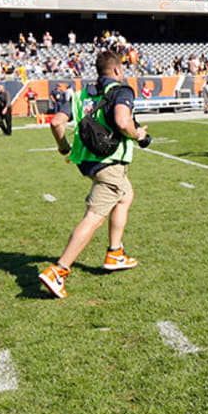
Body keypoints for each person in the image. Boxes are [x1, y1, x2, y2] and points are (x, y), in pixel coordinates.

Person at [38, 50, 148, 299]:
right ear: (118, 71)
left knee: (126, 195)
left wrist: (63, 146)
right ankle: (59, 270)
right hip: (109, 163)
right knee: (94, 217)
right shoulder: (122, 90)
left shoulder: (80, 95)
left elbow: (56, 122)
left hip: (85, 161)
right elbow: (122, 122)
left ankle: (115, 253)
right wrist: (138, 134)